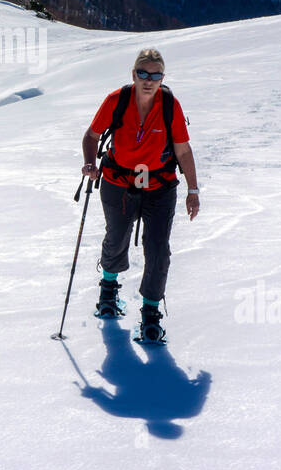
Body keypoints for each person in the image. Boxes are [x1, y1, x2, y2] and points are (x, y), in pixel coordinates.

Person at [81, 49, 199, 343]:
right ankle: (108, 292)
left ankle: (150, 314)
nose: (149, 80)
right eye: (143, 74)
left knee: (158, 249)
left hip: (160, 186)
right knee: (117, 236)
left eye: (155, 75)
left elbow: (183, 150)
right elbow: (91, 136)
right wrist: (90, 163)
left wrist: (193, 191)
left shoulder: (170, 105)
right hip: (118, 181)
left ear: (162, 78)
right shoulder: (116, 100)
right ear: (133, 74)